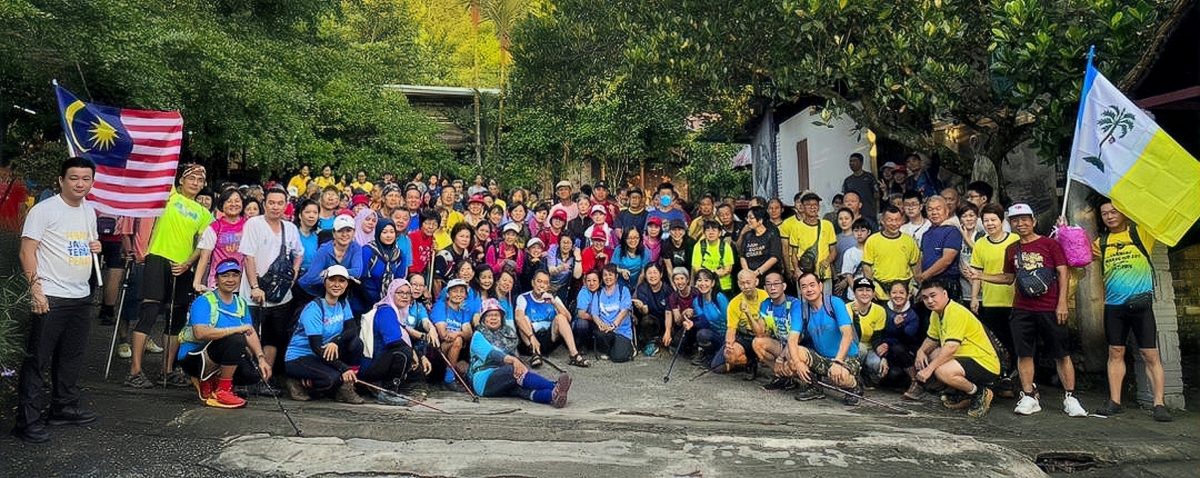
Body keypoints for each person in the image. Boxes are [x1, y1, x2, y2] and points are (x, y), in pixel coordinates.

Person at [12, 158, 101, 443]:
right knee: (38, 359)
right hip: (50, 295)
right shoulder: (44, 210)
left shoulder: (89, 211)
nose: (80, 184)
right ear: (61, 180)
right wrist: (36, 290)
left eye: (86, 179)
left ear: (92, 182)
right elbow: (27, 252)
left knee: (71, 357)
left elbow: (86, 245)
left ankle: (63, 408)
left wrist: (96, 246)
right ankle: (27, 421)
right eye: (74, 178)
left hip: (80, 294)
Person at [981, 203, 1086, 417]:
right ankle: (1029, 395)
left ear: (1033, 221)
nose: (1020, 223)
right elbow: (1009, 278)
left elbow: (1063, 273)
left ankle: (1070, 397)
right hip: (1022, 308)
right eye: (1015, 220)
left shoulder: (1050, 244)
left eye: (1024, 219)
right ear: (1011, 224)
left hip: (1050, 307)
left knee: (1061, 353)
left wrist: (1062, 303)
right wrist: (980, 275)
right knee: (1024, 353)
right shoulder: (1012, 249)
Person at [127, 164, 214, 389]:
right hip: (158, 258)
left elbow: (203, 245)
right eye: (191, 178)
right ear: (181, 180)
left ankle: (167, 370)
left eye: (200, 180)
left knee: (176, 319)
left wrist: (188, 264)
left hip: (181, 266)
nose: (195, 183)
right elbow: (165, 168)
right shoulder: (170, 195)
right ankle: (135, 371)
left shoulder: (204, 213)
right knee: (149, 312)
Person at [1091, 200, 1172, 421]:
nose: (1109, 216)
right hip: (1113, 307)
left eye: (1114, 212)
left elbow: (1156, 215)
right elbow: (1077, 255)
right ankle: (1115, 401)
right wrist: (1064, 230)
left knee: (1150, 354)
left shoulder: (1141, 234)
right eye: (1104, 213)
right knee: (1115, 352)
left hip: (1141, 305)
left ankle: (1159, 403)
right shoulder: (1101, 242)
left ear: (1124, 213)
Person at [177, 259, 272, 409]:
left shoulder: (240, 303)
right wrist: (234, 329)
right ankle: (223, 390)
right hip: (194, 357)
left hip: (218, 353)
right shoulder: (204, 301)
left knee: (252, 374)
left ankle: (213, 381)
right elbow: (200, 333)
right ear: (216, 278)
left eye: (234, 275)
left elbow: (250, 331)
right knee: (236, 339)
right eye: (225, 275)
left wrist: (261, 358)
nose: (230, 280)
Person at [239, 188, 304, 393]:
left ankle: (264, 379)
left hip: (281, 296)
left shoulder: (290, 228)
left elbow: (299, 253)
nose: (275, 207)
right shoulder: (254, 224)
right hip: (253, 294)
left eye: (280, 203)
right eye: (271, 202)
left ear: (286, 205)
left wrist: (292, 276)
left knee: (273, 337)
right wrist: (254, 286)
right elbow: (248, 257)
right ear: (264, 203)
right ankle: (248, 378)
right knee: (251, 335)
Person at [914, 279, 1000, 418]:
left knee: (942, 371)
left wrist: (928, 370)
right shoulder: (936, 313)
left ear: (944, 294)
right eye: (925, 297)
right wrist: (920, 351)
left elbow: (951, 348)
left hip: (984, 362)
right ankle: (964, 392)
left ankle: (979, 393)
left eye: (933, 295)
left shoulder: (955, 312)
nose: (929, 300)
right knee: (933, 354)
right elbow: (932, 339)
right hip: (965, 358)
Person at [284, 264, 365, 404]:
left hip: (325, 353)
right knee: (332, 379)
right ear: (325, 282)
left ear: (347, 284)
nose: (337, 285)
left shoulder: (343, 303)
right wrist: (343, 368)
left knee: (356, 344)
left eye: (341, 281)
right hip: (301, 356)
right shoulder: (314, 309)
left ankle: (346, 386)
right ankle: (297, 382)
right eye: (332, 280)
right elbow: (316, 346)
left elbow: (352, 330)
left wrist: (335, 341)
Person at [470, 299, 572, 407]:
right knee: (514, 370)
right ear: (483, 319)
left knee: (522, 389)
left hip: (505, 376)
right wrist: (514, 361)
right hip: (484, 378)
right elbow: (493, 355)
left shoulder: (508, 334)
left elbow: (516, 356)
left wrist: (517, 363)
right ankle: (554, 386)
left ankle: (552, 396)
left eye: (496, 315)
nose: (493, 318)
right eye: (489, 315)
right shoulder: (478, 335)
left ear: (501, 318)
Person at [963, 203, 1018, 388]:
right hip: (991, 300)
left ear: (1002, 221)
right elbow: (976, 274)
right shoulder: (980, 244)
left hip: (1014, 300)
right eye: (986, 220)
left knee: (1014, 340)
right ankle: (1003, 375)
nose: (990, 224)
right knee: (998, 341)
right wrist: (974, 298)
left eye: (993, 220)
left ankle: (1017, 376)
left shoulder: (1015, 240)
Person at [786, 272, 862, 404]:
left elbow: (847, 334)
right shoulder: (802, 309)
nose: (809, 289)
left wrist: (838, 361)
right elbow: (792, 339)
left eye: (812, 285)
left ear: (820, 286)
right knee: (791, 355)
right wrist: (797, 363)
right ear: (801, 291)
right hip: (822, 357)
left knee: (841, 377)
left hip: (845, 357)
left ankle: (854, 386)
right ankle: (814, 386)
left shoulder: (834, 303)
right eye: (804, 287)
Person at [360, 278, 433, 404]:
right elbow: (393, 341)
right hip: (371, 364)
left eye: (408, 293)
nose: (405, 296)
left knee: (409, 353)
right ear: (391, 293)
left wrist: (418, 355)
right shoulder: (386, 310)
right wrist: (414, 353)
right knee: (403, 353)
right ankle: (388, 392)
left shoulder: (398, 313)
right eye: (400, 293)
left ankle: (402, 388)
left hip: (382, 361)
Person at [515, 270, 592, 367]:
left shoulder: (553, 298)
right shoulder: (523, 298)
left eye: (545, 283)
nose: (541, 285)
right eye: (539, 281)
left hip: (549, 338)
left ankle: (574, 355)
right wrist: (531, 337)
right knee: (523, 319)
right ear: (533, 283)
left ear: (548, 286)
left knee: (561, 318)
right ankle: (535, 354)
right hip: (530, 340)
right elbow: (518, 318)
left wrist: (554, 303)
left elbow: (568, 318)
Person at [875, 280, 924, 398]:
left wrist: (899, 326)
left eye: (901, 293)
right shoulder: (882, 310)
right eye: (894, 292)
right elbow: (877, 334)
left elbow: (909, 338)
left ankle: (916, 381)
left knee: (898, 349)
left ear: (908, 295)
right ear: (889, 295)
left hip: (905, 352)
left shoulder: (912, 314)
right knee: (890, 376)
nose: (898, 296)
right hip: (887, 350)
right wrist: (882, 351)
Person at [756, 272, 803, 391]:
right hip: (781, 344)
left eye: (776, 284)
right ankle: (781, 376)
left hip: (798, 346)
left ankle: (794, 377)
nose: (772, 288)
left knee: (791, 359)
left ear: (784, 286)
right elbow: (760, 333)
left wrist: (780, 358)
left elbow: (796, 338)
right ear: (764, 288)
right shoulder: (766, 304)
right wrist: (748, 314)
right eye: (769, 284)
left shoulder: (795, 304)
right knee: (757, 343)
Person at [192, 189, 246, 292]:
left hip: (243, 285)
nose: (233, 204)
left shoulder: (249, 225)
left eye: (237, 201)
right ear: (222, 205)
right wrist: (197, 282)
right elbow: (204, 257)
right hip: (218, 283)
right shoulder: (215, 227)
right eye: (229, 201)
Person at [861, 206, 920, 299]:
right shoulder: (872, 240)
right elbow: (867, 267)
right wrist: (870, 288)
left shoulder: (909, 240)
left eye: (897, 220)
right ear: (882, 221)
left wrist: (920, 287)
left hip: (904, 290)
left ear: (902, 221)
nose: (894, 223)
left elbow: (915, 267)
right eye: (890, 220)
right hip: (880, 290)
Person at [298, 214, 363, 298]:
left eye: (348, 230)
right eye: (340, 231)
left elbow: (357, 272)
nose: (344, 234)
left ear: (354, 232)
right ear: (333, 233)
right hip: (309, 291)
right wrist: (342, 275)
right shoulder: (324, 250)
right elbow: (312, 278)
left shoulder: (356, 248)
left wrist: (328, 272)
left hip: (335, 291)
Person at [780, 191, 837, 284]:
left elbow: (833, 251)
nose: (812, 207)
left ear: (818, 207)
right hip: (804, 274)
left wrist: (827, 261)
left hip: (823, 274)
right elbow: (794, 254)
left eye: (815, 204)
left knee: (826, 294)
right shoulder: (796, 227)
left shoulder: (827, 225)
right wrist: (796, 270)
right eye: (808, 205)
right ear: (802, 207)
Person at [722, 270, 769, 378]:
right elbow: (731, 328)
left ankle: (767, 363)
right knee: (730, 356)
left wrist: (747, 313)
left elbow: (761, 332)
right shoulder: (734, 303)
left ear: (756, 282)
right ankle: (750, 361)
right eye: (742, 283)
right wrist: (729, 345)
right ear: (738, 284)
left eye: (748, 282)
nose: (746, 286)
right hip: (745, 336)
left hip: (764, 335)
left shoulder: (766, 297)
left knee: (762, 342)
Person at [432, 278, 475, 392]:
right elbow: (443, 335)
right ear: (448, 293)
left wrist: (457, 333)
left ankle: (449, 376)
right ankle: (449, 379)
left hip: (453, 350)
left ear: (465, 295)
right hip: (436, 349)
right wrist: (460, 334)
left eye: (462, 291)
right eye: (455, 291)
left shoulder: (464, 311)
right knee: (459, 340)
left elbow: (469, 333)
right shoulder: (441, 306)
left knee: (458, 339)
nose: (458, 294)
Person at [915, 196, 963, 299]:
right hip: (927, 282)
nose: (934, 212)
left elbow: (947, 260)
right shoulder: (926, 234)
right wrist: (918, 276)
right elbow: (922, 257)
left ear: (947, 211)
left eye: (938, 209)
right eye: (930, 209)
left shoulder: (952, 231)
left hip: (946, 282)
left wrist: (925, 275)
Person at [585, 264, 635, 362]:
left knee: (619, 358)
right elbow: (594, 314)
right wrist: (601, 324)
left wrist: (614, 325)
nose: (608, 277)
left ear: (616, 277)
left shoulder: (623, 290)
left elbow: (624, 310)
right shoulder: (598, 293)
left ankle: (628, 347)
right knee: (600, 334)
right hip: (606, 331)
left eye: (610, 275)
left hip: (622, 331)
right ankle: (612, 350)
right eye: (605, 275)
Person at [685, 268, 728, 367]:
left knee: (717, 366)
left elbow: (730, 321)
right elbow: (704, 322)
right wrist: (692, 324)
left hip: (728, 336)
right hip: (714, 336)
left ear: (712, 283)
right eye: (699, 280)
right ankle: (709, 354)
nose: (703, 284)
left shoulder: (719, 297)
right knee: (701, 334)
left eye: (706, 280)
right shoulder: (697, 301)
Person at [632, 263, 671, 357]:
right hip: (652, 320)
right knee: (647, 320)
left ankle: (662, 340)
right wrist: (641, 307)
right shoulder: (642, 288)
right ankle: (651, 342)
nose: (652, 276)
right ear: (645, 275)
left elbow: (669, 312)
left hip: (666, 320)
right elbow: (645, 312)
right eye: (649, 273)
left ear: (661, 274)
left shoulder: (667, 289)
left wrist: (668, 330)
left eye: (655, 272)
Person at [739, 206, 782, 283]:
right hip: (750, 277)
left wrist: (756, 273)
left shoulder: (772, 234)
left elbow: (774, 257)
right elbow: (742, 256)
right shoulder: (747, 236)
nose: (748, 220)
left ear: (760, 220)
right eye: (747, 218)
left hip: (768, 275)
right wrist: (747, 273)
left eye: (751, 218)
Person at [692, 220, 736, 292]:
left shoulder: (725, 246)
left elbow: (728, 269)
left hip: (724, 285)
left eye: (714, 230)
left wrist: (715, 273)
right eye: (708, 230)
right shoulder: (699, 246)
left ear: (720, 233)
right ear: (704, 233)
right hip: (705, 284)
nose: (711, 233)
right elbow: (696, 268)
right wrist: (713, 274)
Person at [835, 218, 871, 300]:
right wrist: (856, 292)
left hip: (872, 294)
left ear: (868, 232)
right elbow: (849, 276)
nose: (859, 234)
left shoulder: (873, 251)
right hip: (853, 296)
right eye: (856, 231)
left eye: (863, 230)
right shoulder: (849, 253)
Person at [546, 234, 582, 304]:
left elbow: (577, 276)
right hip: (548, 284)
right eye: (563, 242)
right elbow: (551, 270)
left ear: (572, 245)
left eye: (568, 243)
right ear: (559, 243)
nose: (566, 245)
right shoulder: (553, 249)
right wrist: (560, 268)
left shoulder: (574, 254)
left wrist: (578, 257)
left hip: (563, 287)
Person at [842, 153, 878, 221]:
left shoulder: (869, 177)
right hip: (853, 216)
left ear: (861, 162)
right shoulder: (848, 180)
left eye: (854, 161)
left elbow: (876, 195)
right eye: (850, 161)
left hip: (869, 214)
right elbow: (845, 198)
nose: (852, 163)